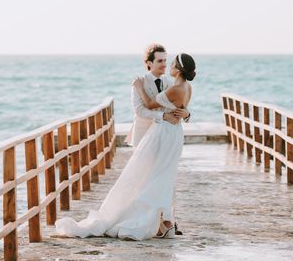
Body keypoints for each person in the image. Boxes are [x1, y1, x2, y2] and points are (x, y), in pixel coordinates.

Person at [55, 53, 197, 240]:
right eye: (162, 61)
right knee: (163, 175)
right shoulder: (188, 86)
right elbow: (154, 109)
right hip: (174, 133)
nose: (167, 65)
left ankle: (158, 221)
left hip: (163, 133)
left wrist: (139, 87)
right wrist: (185, 113)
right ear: (149, 63)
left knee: (153, 176)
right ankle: (166, 222)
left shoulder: (174, 87)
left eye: (170, 63)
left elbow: (149, 104)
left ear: (178, 69)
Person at [125, 44, 191, 148]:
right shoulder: (139, 83)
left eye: (165, 60)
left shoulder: (171, 83)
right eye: (160, 61)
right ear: (149, 63)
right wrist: (164, 116)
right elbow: (139, 111)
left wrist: (187, 114)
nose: (164, 64)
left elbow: (180, 107)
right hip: (143, 135)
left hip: (164, 136)